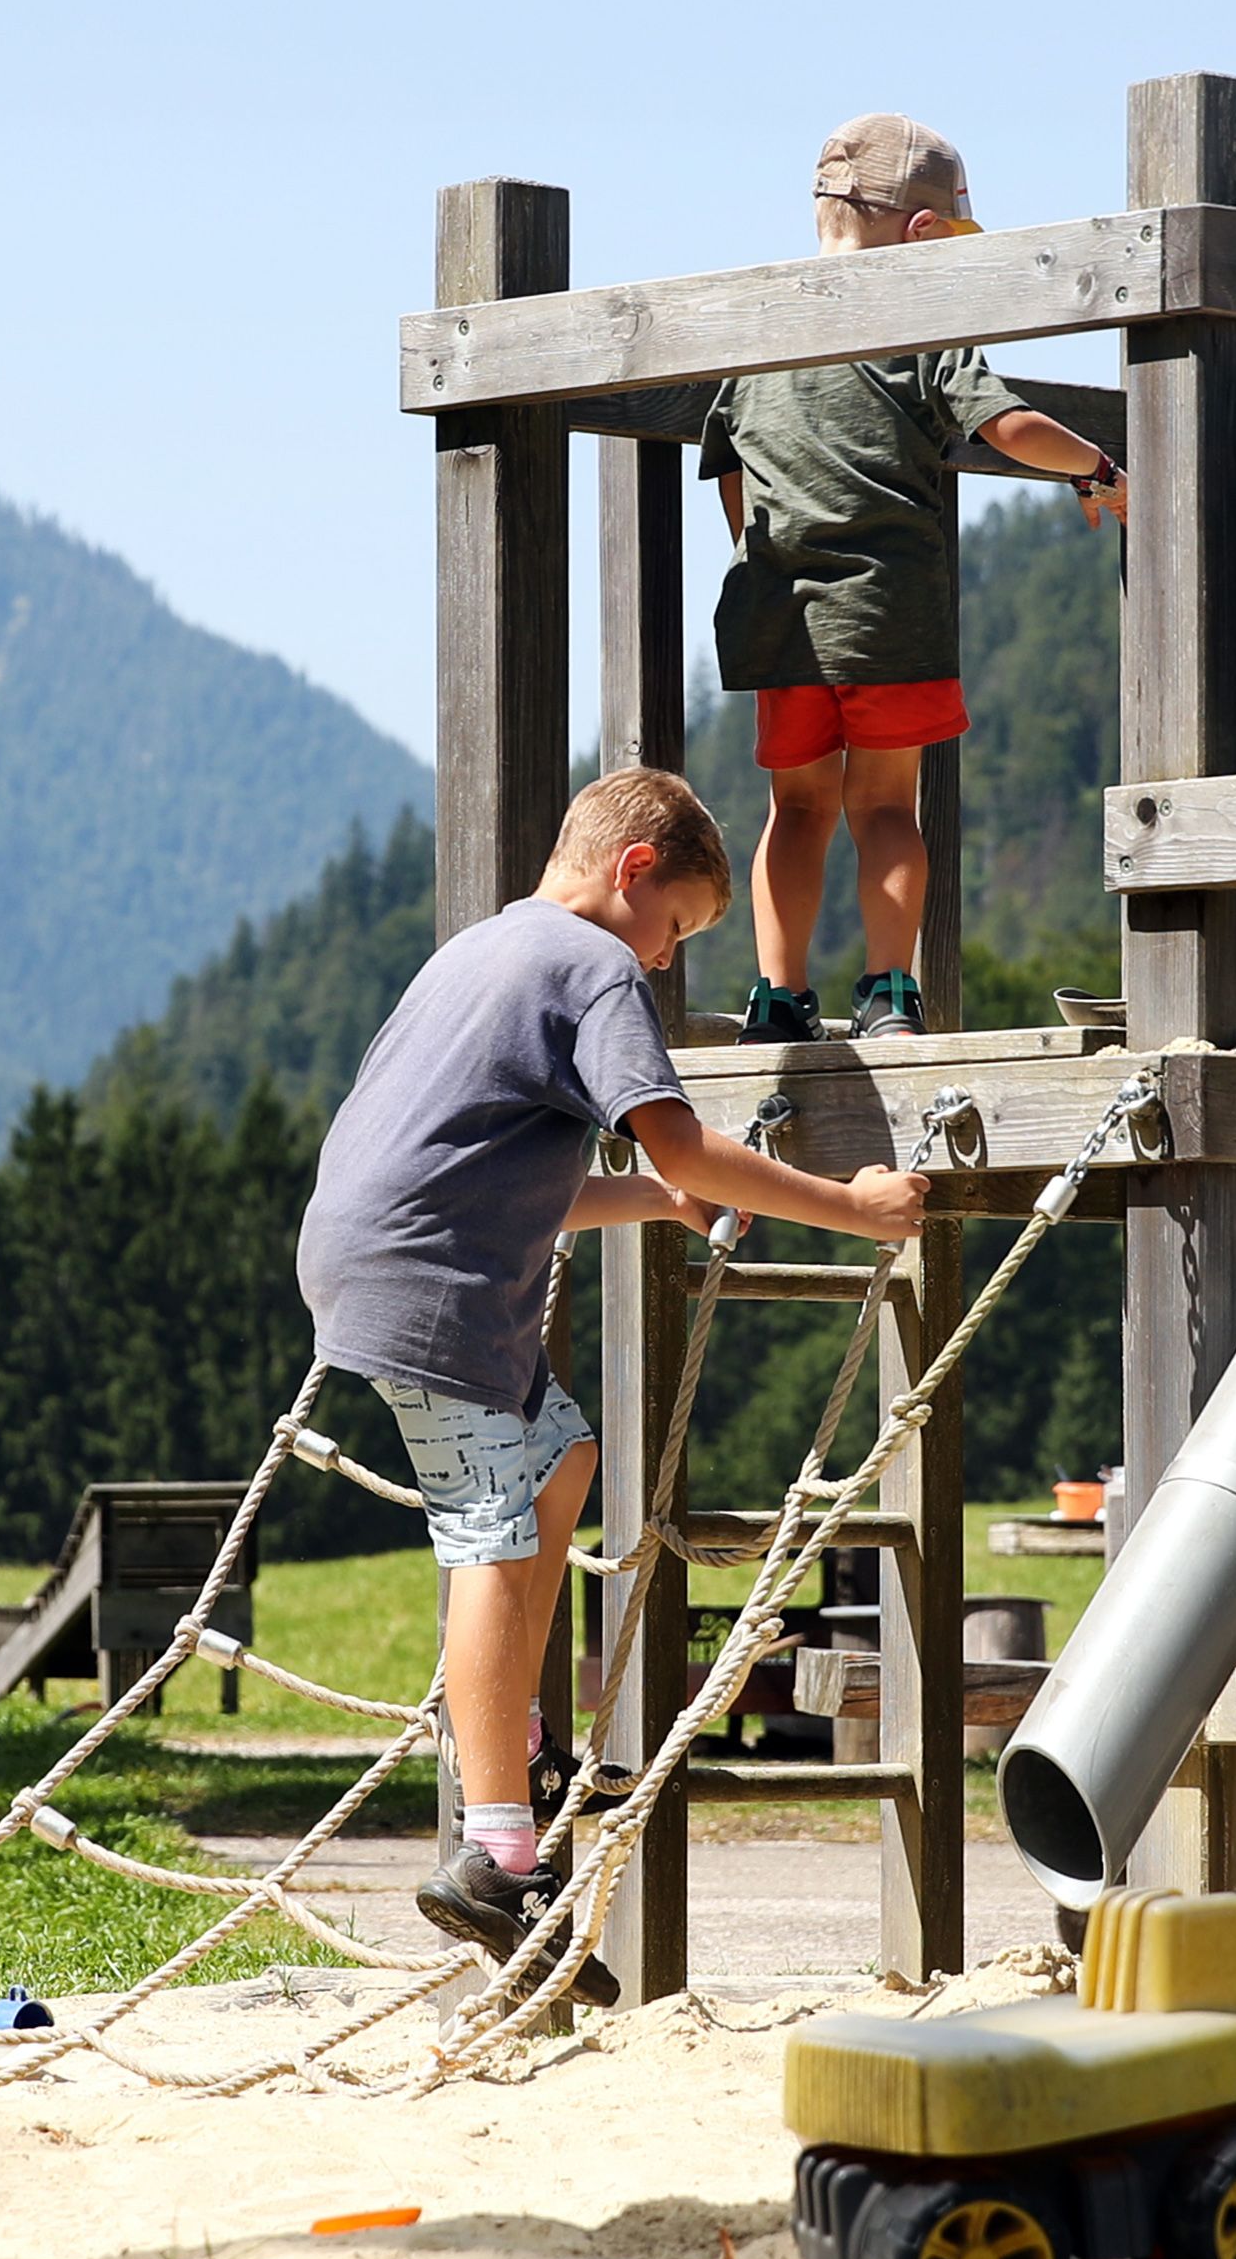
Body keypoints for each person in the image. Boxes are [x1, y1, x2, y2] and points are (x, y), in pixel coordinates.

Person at [294, 764, 932, 1986]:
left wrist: (653, 1204)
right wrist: (849, 1208)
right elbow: (679, 1140)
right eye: (675, 929)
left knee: (561, 1457)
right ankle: (496, 1852)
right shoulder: (592, 967)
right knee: (488, 1537)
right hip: (430, 1282)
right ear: (632, 871)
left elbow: (503, 1176)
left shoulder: (481, 951)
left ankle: (518, 1746)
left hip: (385, 1246)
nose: (662, 960)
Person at [701, 113, 1128, 1043]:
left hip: (778, 614)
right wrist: (1098, 468)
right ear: (923, 233)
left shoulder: (758, 327)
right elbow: (1005, 425)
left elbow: (733, 478)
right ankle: (889, 992)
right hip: (886, 612)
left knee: (795, 808)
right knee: (887, 805)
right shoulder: (918, 323)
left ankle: (777, 998)